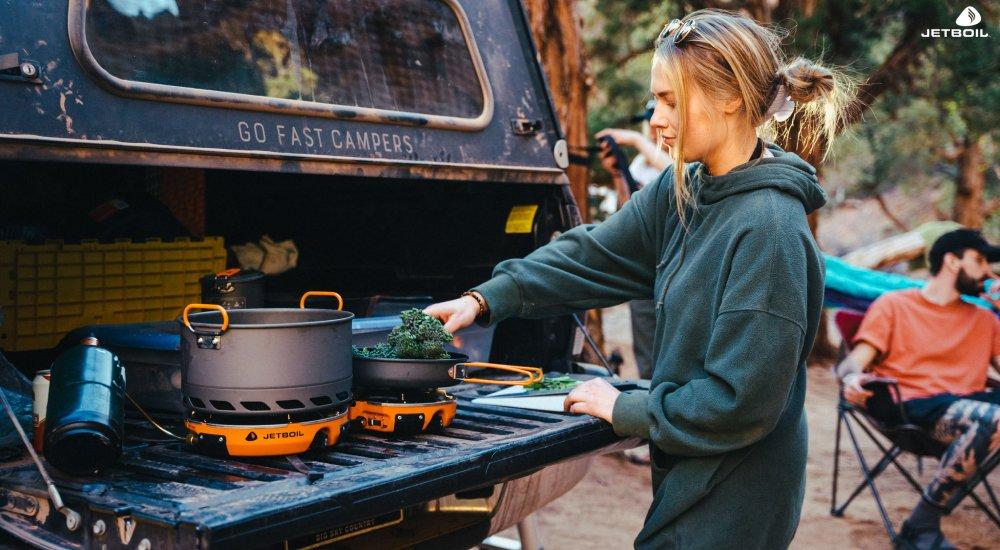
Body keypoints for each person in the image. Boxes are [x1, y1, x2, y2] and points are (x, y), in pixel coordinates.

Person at [427, 9, 856, 548]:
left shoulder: (769, 230)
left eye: (672, 100)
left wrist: (624, 407)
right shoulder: (686, 189)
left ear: (730, 99)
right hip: (689, 471)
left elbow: (740, 403)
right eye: (656, 100)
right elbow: (594, 254)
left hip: (737, 493)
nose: (655, 118)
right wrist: (487, 299)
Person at [836, 229, 1000, 550]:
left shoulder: (986, 321)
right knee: (992, 418)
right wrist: (850, 380)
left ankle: (921, 522)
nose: (989, 273)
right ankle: (921, 523)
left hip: (972, 408)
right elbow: (854, 362)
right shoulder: (895, 305)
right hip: (909, 406)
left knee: (990, 416)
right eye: (979, 261)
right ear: (952, 262)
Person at [596, 103, 671, 465]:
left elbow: (673, 171)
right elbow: (630, 212)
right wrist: (617, 173)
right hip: (647, 269)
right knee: (647, 350)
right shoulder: (644, 163)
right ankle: (649, 430)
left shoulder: (687, 159)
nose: (655, 128)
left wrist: (637, 142)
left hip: (674, 270)